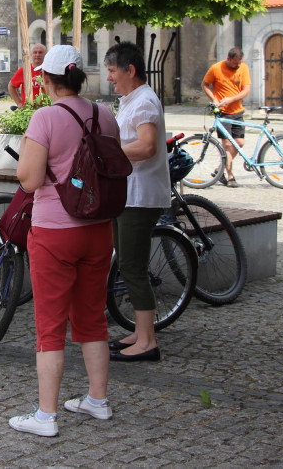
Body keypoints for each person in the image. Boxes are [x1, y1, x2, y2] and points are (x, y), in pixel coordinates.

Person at [6, 45, 117, 438]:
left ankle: (46, 416)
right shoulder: (105, 114)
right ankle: (98, 400)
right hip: (99, 228)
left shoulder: (45, 118)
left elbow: (29, 179)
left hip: (55, 230)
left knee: (50, 325)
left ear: (46, 80)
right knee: (91, 316)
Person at [104, 41, 170, 363]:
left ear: (130, 70)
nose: (109, 78)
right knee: (129, 265)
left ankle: (147, 341)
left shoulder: (144, 101)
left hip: (140, 196)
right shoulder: (133, 99)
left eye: (113, 71)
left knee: (132, 267)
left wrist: (107, 152)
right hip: (129, 194)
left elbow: (146, 147)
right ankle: (140, 333)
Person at [202, 47, 251, 187]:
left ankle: (219, 169)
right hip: (222, 113)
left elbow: (246, 90)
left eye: (240, 62)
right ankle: (230, 176)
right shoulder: (216, 68)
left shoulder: (244, 68)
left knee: (240, 143)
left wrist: (231, 99)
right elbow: (205, 84)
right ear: (228, 59)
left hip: (237, 111)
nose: (238, 65)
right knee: (227, 145)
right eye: (235, 63)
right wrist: (214, 98)